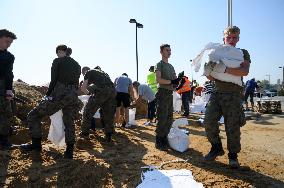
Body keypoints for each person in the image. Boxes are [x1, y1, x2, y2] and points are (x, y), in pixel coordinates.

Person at [20, 45, 81, 159]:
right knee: (69, 121)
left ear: (60, 51)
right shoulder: (77, 65)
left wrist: (47, 96)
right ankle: (69, 151)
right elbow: (76, 83)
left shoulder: (58, 61)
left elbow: (53, 81)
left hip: (60, 94)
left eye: (57, 52)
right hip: (73, 95)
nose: (57, 54)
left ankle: (36, 145)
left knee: (33, 115)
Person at [203, 26, 250, 168]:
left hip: (234, 94)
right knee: (208, 121)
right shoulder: (217, 52)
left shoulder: (243, 53)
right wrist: (208, 71)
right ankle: (216, 147)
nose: (231, 40)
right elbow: (212, 77)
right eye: (228, 37)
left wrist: (225, 69)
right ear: (223, 38)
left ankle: (233, 156)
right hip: (217, 93)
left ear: (238, 39)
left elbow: (244, 71)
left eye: (234, 37)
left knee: (232, 126)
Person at [155, 44, 180, 150]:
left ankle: (164, 138)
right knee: (162, 117)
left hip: (170, 94)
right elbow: (159, 80)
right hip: (162, 93)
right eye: (167, 50)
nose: (169, 52)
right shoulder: (159, 64)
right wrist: (171, 81)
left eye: (170, 50)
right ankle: (159, 140)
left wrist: (178, 81)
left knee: (169, 118)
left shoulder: (171, 66)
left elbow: (175, 81)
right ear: (161, 52)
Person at [80, 67, 116, 142]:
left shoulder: (88, 72)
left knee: (88, 111)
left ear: (84, 71)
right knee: (108, 114)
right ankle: (108, 135)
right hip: (112, 91)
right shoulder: (103, 73)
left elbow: (83, 88)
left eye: (83, 74)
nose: (83, 75)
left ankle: (85, 133)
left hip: (102, 90)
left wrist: (89, 93)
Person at [0, 29, 17, 150]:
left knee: (7, 113)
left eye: (10, 43)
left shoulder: (9, 56)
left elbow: (9, 74)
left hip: (2, 85)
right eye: (7, 41)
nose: (8, 45)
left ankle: (4, 141)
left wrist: (9, 90)